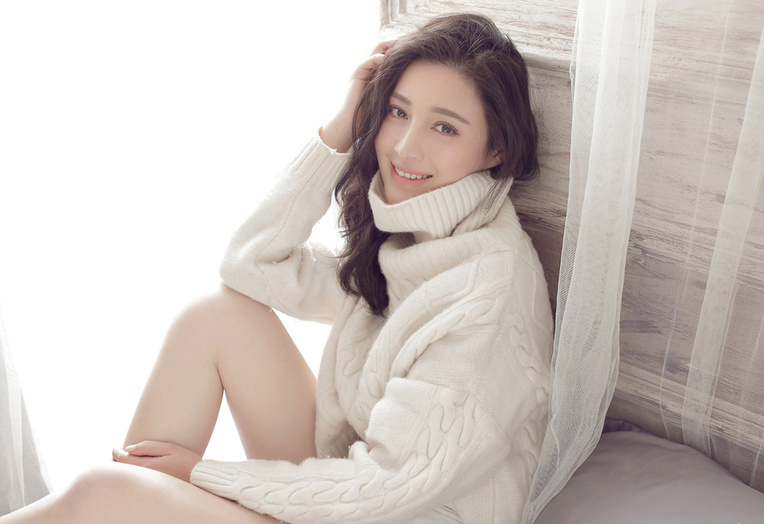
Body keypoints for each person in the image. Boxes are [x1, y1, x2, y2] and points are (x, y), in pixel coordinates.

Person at [0, 12, 553, 524]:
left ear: (496, 150)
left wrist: (202, 475)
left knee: (105, 493)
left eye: (445, 128)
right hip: (360, 488)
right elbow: (250, 265)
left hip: (394, 509)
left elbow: (393, 484)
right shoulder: (414, 236)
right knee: (215, 317)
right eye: (397, 111)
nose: (406, 148)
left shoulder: (487, 289)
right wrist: (340, 128)